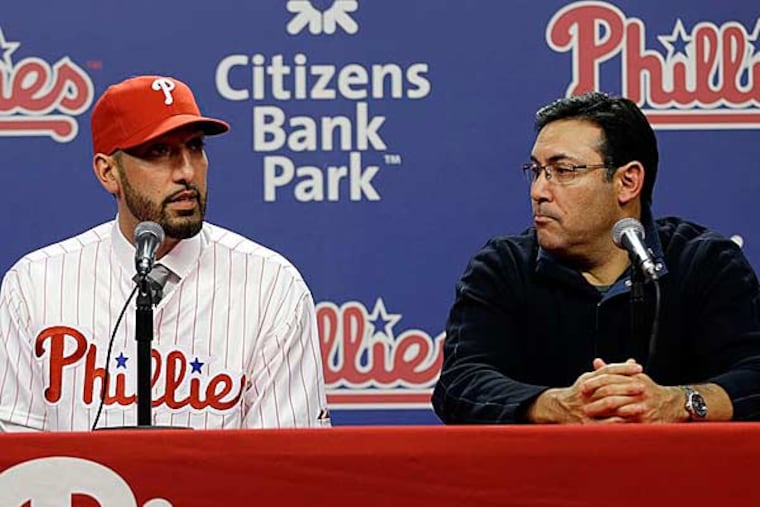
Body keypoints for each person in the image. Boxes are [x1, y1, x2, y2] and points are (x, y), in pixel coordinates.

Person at [0, 75, 330, 431]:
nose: (186, 171)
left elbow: (285, 463)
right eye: (159, 152)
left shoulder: (271, 286)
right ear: (108, 172)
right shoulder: (35, 285)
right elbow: (21, 460)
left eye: (195, 147)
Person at [432, 91, 760, 424]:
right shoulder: (502, 267)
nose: (538, 191)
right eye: (536, 171)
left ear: (627, 182)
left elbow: (754, 373)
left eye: (563, 170)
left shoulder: (705, 262)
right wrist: (556, 405)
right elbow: (459, 384)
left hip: (680, 473)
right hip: (546, 474)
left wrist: (679, 402)